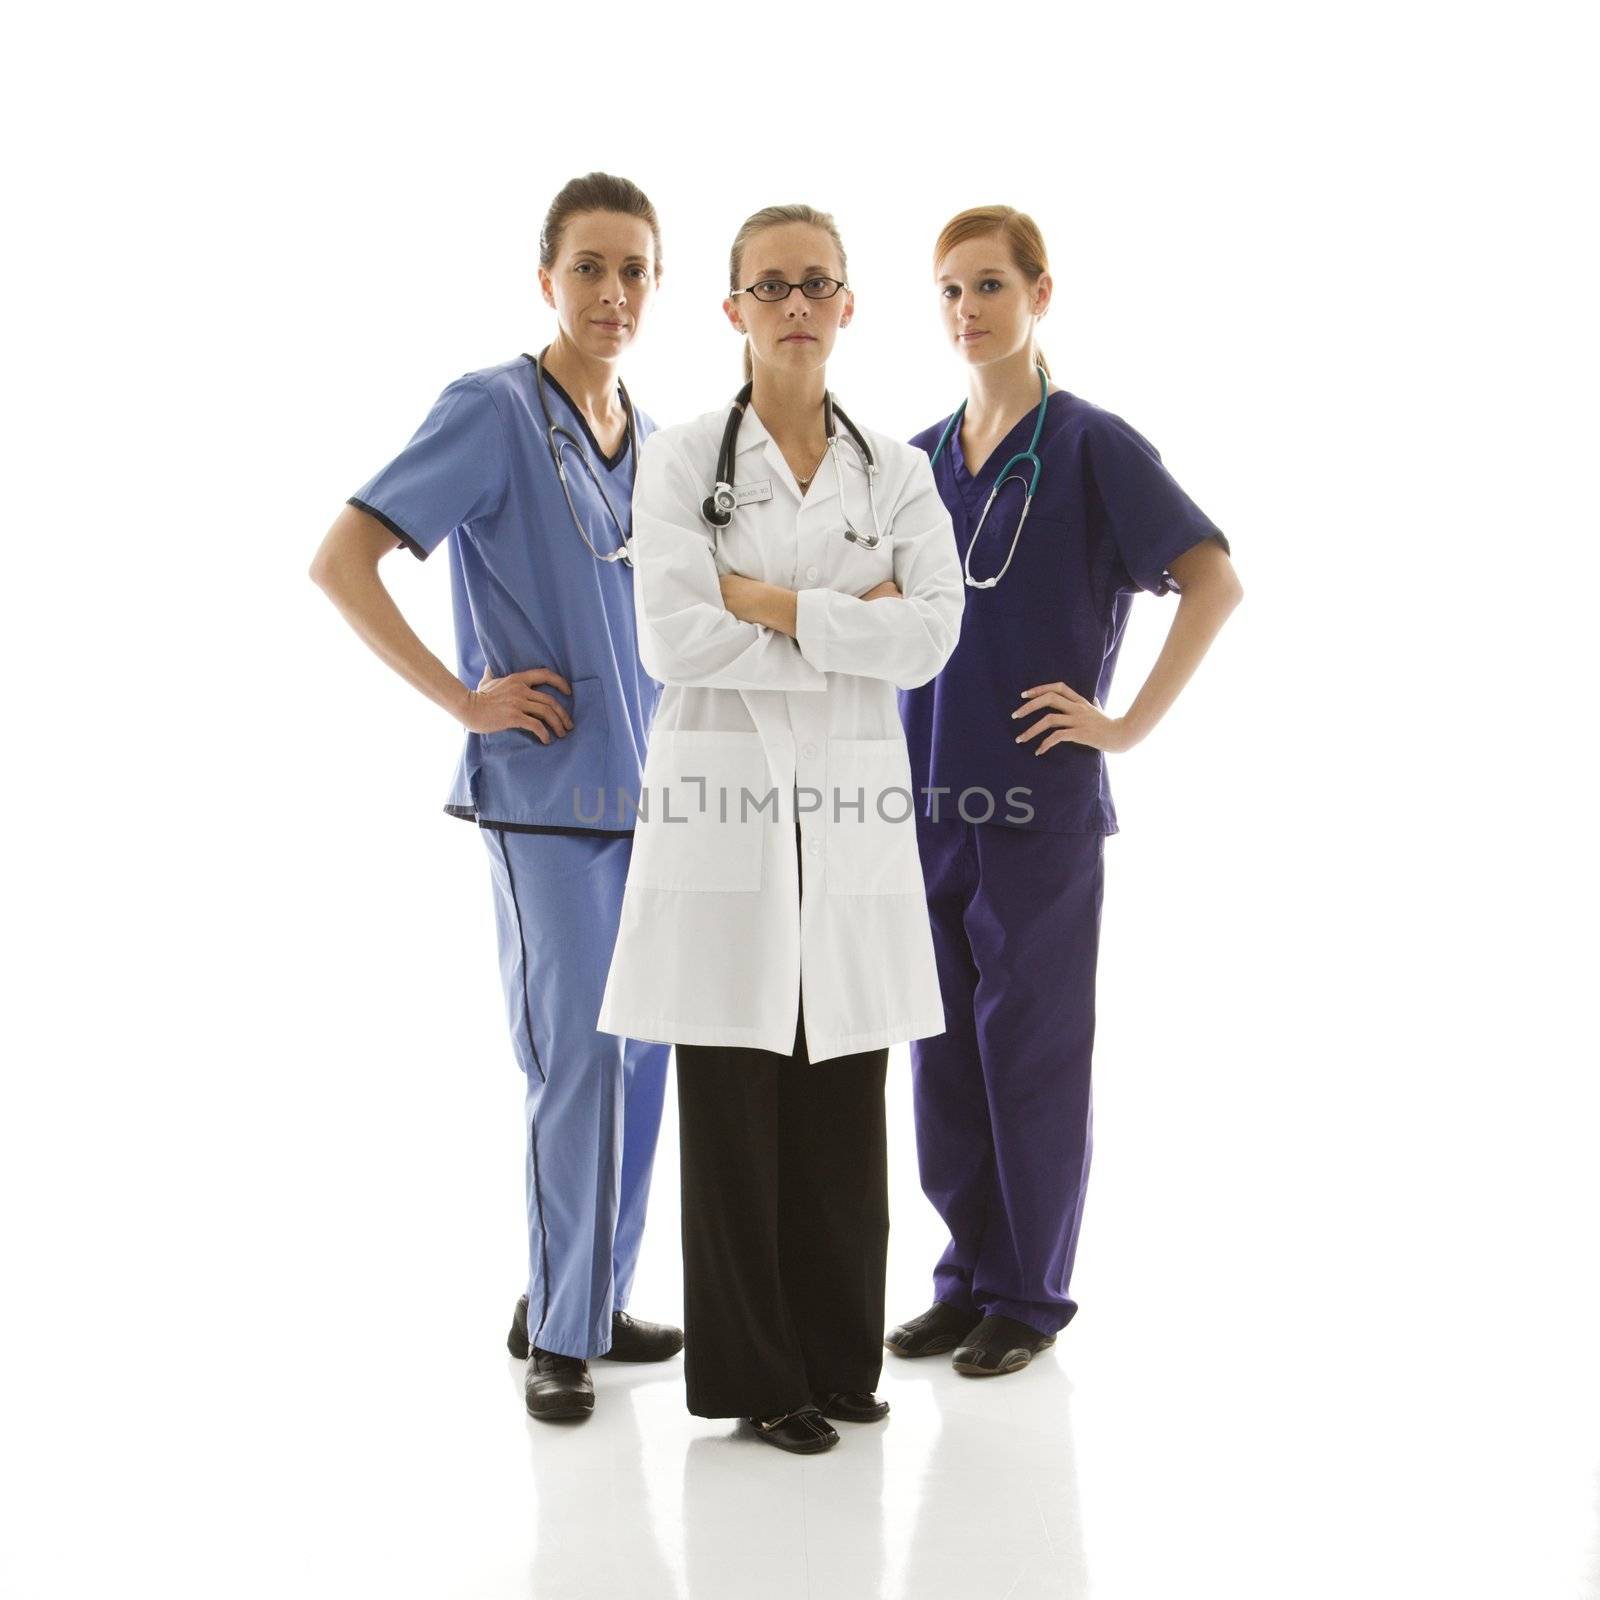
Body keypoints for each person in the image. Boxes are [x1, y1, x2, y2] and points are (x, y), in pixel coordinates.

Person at [308, 172, 683, 1424]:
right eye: (589, 267)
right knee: (574, 1054)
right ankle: (559, 1334)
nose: (612, 292)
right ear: (546, 280)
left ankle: (592, 1294)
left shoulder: (649, 434)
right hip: (547, 800)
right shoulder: (492, 410)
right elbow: (344, 556)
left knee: (643, 1058)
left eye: (633, 268)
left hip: (652, 799)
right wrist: (465, 698)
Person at [597, 204, 964, 1453]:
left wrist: (761, 601)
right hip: (726, 815)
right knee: (736, 1100)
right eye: (771, 286)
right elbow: (671, 638)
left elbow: (929, 637)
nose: (795, 304)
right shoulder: (680, 457)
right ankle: (760, 1381)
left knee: (843, 1090)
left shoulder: (896, 472)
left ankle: (838, 1358)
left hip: (848, 810)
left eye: (817, 283)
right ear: (735, 308)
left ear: (848, 304)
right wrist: (833, 616)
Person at [886, 205, 1244, 1377]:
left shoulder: (1090, 445)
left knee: (1029, 1054)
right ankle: (964, 1277)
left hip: (1036, 803)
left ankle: (1027, 1297)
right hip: (922, 793)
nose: (965, 310)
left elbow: (1211, 580)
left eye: (987, 285)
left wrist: (1126, 722)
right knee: (940, 1057)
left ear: (1041, 293)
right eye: (947, 290)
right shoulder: (919, 458)